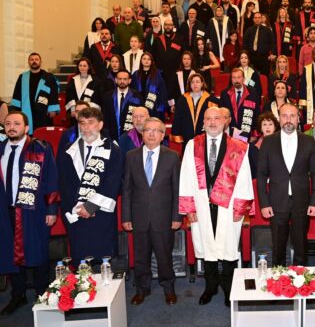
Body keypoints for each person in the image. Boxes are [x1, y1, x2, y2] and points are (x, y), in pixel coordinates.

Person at [179, 107, 254, 307]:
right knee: (207, 246)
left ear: (225, 121)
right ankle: (210, 286)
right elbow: (185, 176)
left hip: (228, 206)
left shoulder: (239, 146)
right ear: (203, 122)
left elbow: (245, 178)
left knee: (229, 247)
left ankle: (229, 287)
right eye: (208, 119)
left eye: (217, 118)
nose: (212, 122)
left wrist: (240, 208)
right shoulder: (192, 145)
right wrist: (189, 208)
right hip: (201, 204)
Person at [0, 111, 58, 316]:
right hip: (5, 211)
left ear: (26, 128)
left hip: (33, 210)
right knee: (10, 253)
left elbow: (51, 179)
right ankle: (18, 294)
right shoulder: (1, 149)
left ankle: (42, 293)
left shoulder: (40, 148)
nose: (11, 127)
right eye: (8, 123)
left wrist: (51, 209)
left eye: (17, 123)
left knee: (38, 250)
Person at [122, 117, 182, 307]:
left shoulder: (172, 156)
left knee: (164, 256)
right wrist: (126, 216)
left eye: (156, 130)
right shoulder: (131, 156)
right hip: (138, 216)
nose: (151, 134)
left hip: (164, 217)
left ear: (163, 135)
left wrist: (177, 216)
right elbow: (127, 189)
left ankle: (169, 288)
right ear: (142, 133)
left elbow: (177, 189)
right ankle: (142, 289)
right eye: (148, 130)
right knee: (140, 257)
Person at [257, 103, 315, 266]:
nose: (288, 119)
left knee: (301, 247)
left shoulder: (309, 141)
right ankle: (278, 278)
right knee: (278, 247)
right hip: (276, 202)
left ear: (298, 118)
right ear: (279, 118)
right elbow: (261, 175)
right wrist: (264, 203)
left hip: (302, 202)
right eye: (284, 116)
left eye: (292, 116)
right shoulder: (268, 142)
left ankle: (301, 278)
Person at [57, 107, 123, 266]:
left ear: (100, 125)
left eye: (90, 123)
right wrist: (76, 207)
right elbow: (63, 183)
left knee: (103, 260)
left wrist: (91, 206)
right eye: (82, 123)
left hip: (100, 214)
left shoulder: (112, 149)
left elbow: (113, 182)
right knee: (80, 261)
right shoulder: (67, 150)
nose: (86, 127)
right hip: (76, 213)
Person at [10, 53, 60, 135]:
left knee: (43, 133)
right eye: (31, 59)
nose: (34, 61)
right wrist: (16, 109)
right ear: (28, 62)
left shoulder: (49, 77)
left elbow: (54, 93)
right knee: (27, 131)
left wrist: (52, 109)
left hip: (43, 110)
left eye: (36, 59)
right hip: (27, 109)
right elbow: (17, 93)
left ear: (40, 62)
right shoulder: (22, 77)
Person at [172, 73, 219, 149]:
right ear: (190, 84)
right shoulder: (183, 99)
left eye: (197, 82)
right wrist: (177, 133)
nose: (195, 84)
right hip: (187, 134)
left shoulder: (210, 99)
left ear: (202, 83)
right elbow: (178, 118)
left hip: (204, 134)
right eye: (192, 82)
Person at [219, 68, 260, 142]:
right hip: (229, 133)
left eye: (239, 77)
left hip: (247, 133)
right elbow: (221, 115)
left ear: (243, 79)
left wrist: (254, 134)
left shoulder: (253, 93)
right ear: (231, 79)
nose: (236, 80)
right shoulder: (224, 94)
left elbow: (256, 114)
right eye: (234, 77)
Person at [102, 69, 143, 141]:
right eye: (120, 79)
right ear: (116, 80)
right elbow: (105, 117)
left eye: (125, 79)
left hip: (131, 136)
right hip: (111, 136)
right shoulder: (107, 96)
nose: (122, 81)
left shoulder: (137, 96)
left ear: (129, 81)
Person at [130, 52, 168, 120]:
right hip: (139, 104)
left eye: (149, 59)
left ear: (152, 61)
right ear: (141, 61)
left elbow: (163, 91)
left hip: (153, 105)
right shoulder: (136, 74)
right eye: (144, 59)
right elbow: (132, 90)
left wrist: (161, 107)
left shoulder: (157, 74)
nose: (146, 61)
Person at [249, 112, 280, 178]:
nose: (267, 127)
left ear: (275, 127)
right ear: (261, 128)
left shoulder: (281, 145)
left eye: (270, 124)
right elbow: (251, 170)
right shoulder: (252, 146)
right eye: (264, 124)